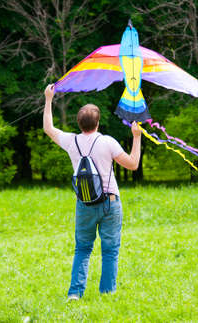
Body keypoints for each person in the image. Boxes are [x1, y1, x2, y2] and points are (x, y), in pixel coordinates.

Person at [43, 84, 142, 300]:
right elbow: (133, 164)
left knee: (82, 249)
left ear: (79, 123)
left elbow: (49, 129)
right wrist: (136, 136)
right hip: (110, 203)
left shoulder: (71, 141)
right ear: (97, 123)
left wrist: (49, 99)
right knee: (110, 251)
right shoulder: (107, 142)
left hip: (84, 204)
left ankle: (75, 294)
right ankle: (107, 294)